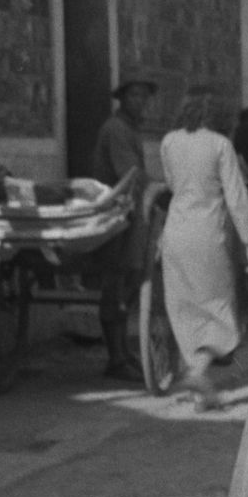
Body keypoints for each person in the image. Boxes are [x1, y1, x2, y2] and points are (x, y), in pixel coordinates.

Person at [158, 87, 248, 411]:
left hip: (175, 233)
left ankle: (199, 392)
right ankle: (199, 372)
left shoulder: (169, 142)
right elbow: (236, 198)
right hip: (208, 236)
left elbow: (172, 184)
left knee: (185, 308)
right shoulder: (221, 146)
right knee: (219, 310)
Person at [91, 73, 158, 380]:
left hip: (127, 214)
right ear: (122, 100)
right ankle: (116, 358)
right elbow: (129, 174)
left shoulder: (128, 129)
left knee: (126, 280)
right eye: (134, 96)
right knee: (116, 281)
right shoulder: (117, 129)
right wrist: (158, 190)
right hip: (115, 216)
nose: (141, 102)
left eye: (145, 96)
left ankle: (121, 353)